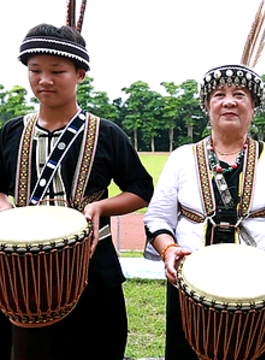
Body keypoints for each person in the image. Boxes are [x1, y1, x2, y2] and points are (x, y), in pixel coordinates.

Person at [0, 23, 154, 359]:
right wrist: (5, 210)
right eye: (35, 70)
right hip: (19, 274)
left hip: (92, 270)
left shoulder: (107, 134)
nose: (44, 80)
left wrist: (101, 208)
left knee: (95, 349)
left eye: (57, 71)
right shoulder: (11, 131)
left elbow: (141, 189)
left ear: (80, 74)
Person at [143, 64, 265, 360]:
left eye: (240, 95)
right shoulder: (182, 158)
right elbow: (158, 218)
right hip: (191, 283)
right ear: (207, 107)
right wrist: (169, 251)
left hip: (260, 284)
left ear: (254, 106)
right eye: (219, 94)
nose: (229, 101)